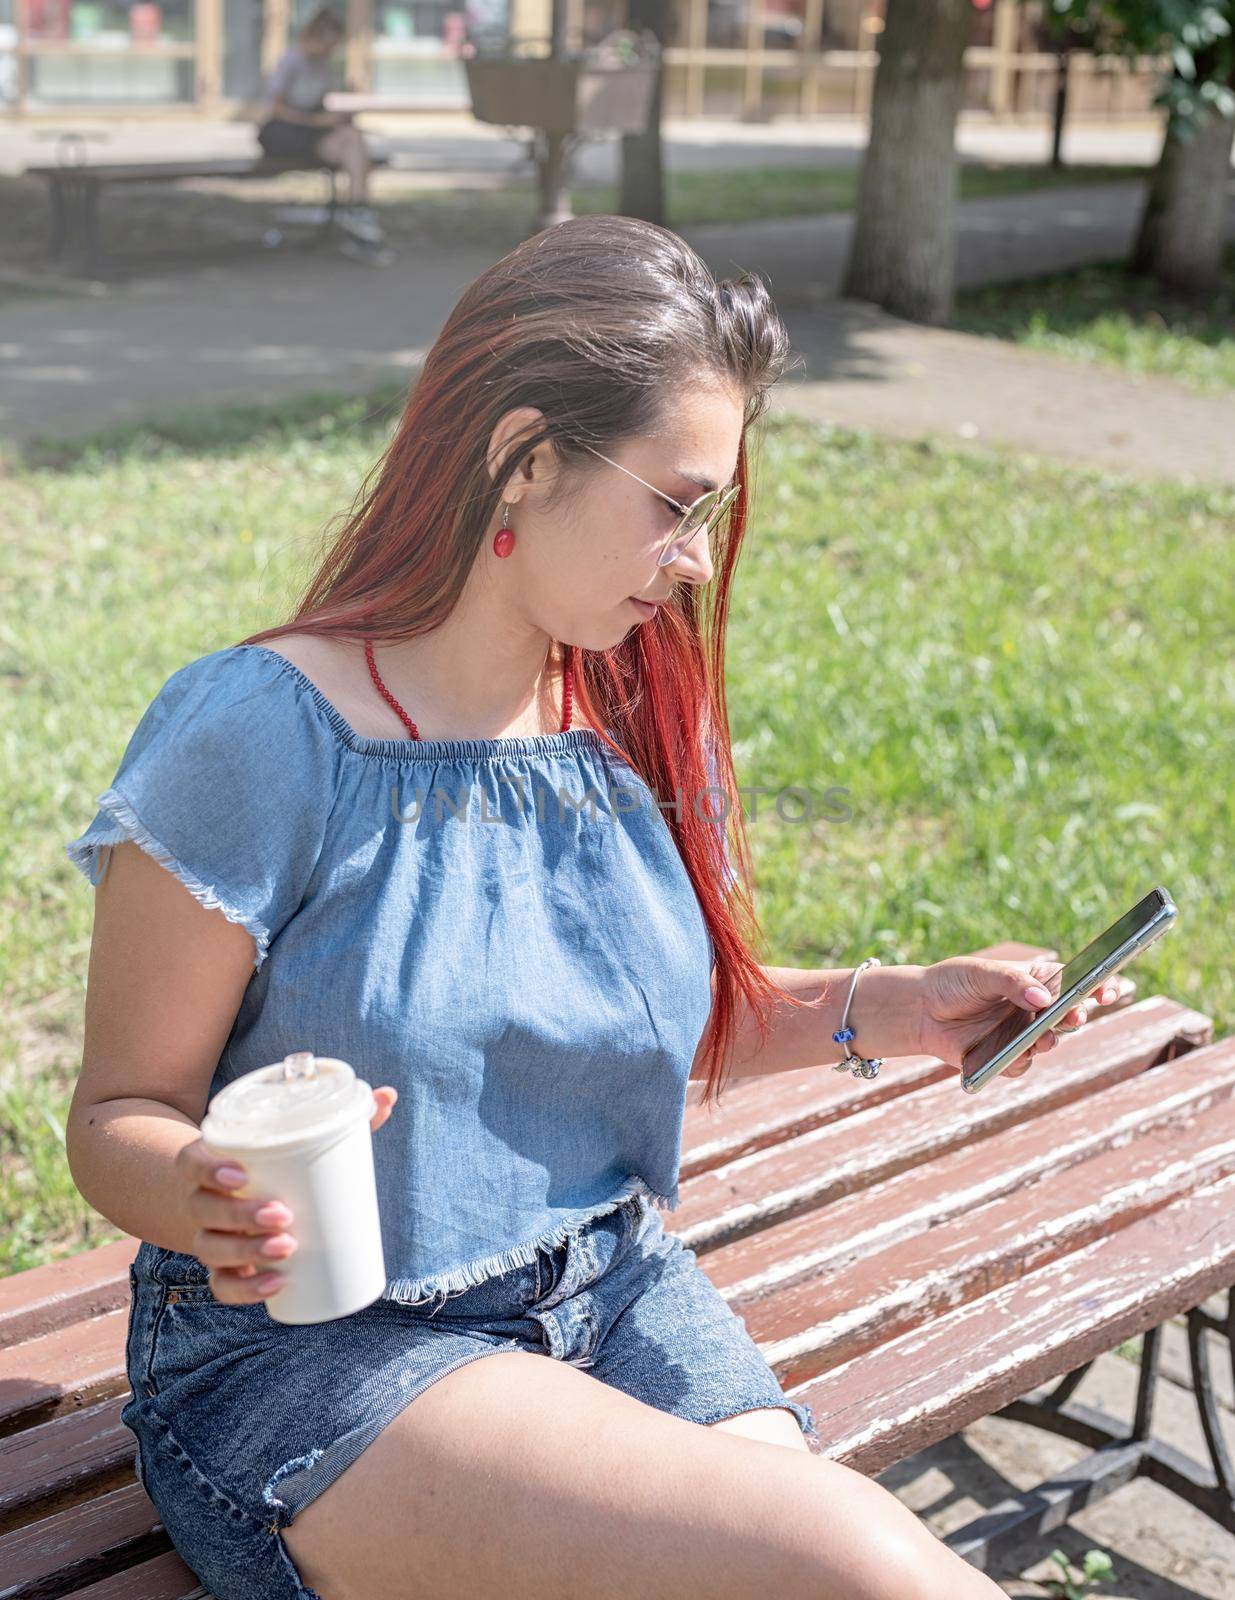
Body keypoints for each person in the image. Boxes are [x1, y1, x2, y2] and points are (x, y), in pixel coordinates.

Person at [63, 213, 1117, 1600]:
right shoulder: (262, 732)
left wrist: (891, 1007)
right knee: (846, 1560)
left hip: (609, 1292)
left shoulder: (625, 715)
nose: (692, 559)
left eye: (710, 516)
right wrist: (203, 1190)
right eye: (675, 504)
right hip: (320, 1353)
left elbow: (620, 1032)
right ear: (525, 456)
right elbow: (114, 1115)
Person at [256, 5, 390, 263]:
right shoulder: (291, 61)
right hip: (286, 131)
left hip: (313, 131)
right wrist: (317, 120)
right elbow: (277, 109)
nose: (330, 50)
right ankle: (360, 213)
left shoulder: (323, 66)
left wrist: (339, 117)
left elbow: (325, 103)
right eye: (327, 44)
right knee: (352, 143)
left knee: (354, 139)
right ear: (312, 37)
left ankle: (359, 210)